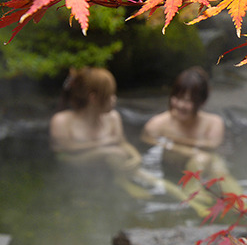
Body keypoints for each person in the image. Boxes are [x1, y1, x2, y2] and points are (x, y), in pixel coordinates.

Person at [49, 67, 208, 216]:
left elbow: (123, 143)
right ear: (93, 98)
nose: (114, 99)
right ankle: (123, 182)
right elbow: (64, 152)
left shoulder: (112, 118)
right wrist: (105, 148)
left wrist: (136, 157)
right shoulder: (62, 121)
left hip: (114, 163)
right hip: (77, 164)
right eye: (110, 95)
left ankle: (194, 204)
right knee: (113, 153)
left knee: (154, 179)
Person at [141, 66, 243, 200]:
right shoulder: (158, 124)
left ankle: (244, 206)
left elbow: (213, 145)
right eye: (177, 98)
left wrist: (172, 140)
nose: (180, 105)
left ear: (202, 101)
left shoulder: (213, 123)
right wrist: (190, 152)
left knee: (218, 167)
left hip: (207, 172)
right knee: (204, 158)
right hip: (173, 172)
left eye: (188, 100)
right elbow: (147, 139)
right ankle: (193, 189)